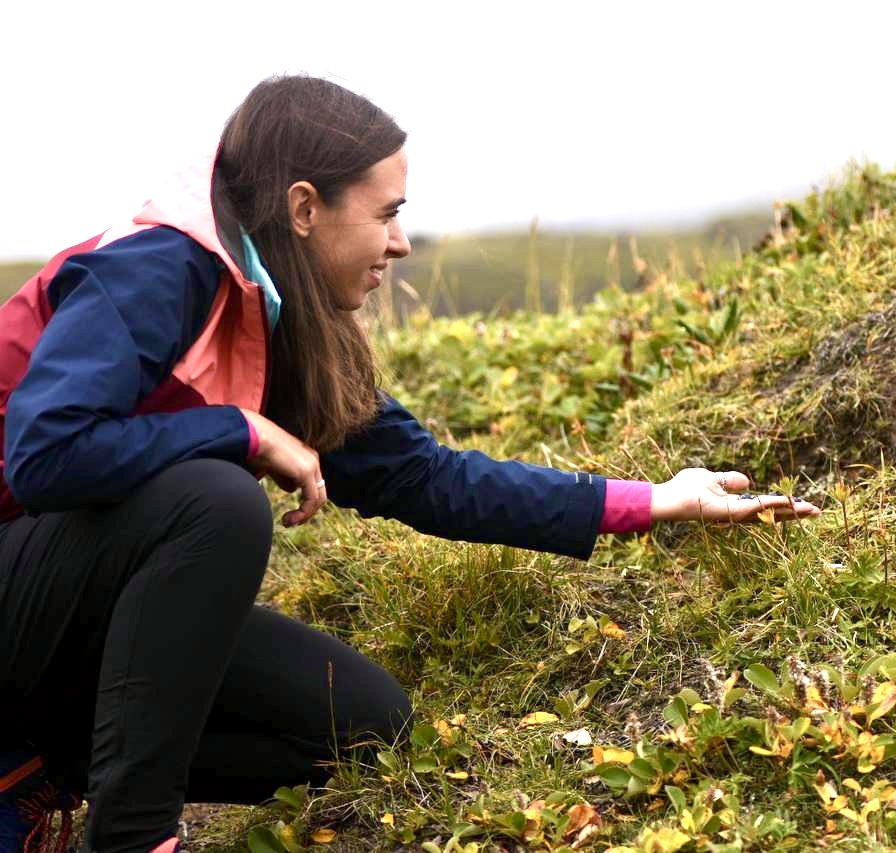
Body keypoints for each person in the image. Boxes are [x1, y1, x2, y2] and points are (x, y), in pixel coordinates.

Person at [0, 75, 820, 853]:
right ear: (304, 208)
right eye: (388, 212)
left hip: (67, 621)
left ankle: (43, 764)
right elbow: (45, 454)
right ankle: (134, 834)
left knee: (359, 723)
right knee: (218, 500)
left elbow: (425, 476)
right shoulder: (158, 268)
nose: (400, 242)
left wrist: (652, 500)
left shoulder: (279, 315)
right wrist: (242, 431)